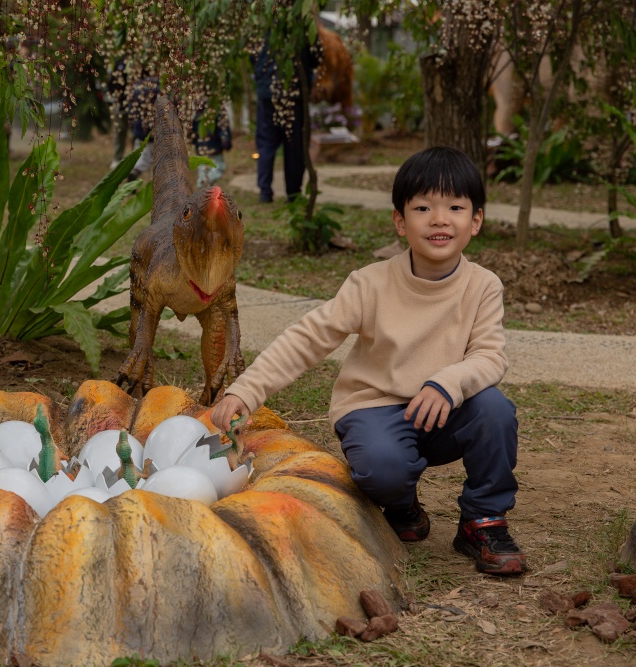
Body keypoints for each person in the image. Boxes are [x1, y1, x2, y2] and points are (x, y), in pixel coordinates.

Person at [211, 146, 526, 576]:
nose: (439, 218)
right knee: (383, 468)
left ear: (476, 221)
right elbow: (307, 338)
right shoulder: (370, 284)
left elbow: (490, 355)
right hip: (375, 407)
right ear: (400, 221)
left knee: (494, 410)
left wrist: (446, 383)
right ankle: (401, 503)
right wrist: (246, 390)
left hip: (443, 408)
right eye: (423, 207)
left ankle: (482, 520)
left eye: (455, 207)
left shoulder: (483, 286)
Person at [252, 39, 317, 203]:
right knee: (294, 146)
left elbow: (253, 57)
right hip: (293, 95)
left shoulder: (261, 28)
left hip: (268, 94)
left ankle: (265, 191)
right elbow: (315, 57)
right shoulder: (299, 27)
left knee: (266, 144)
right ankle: (293, 193)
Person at [190, 100, 233, 189]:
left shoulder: (197, 111)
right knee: (218, 167)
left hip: (206, 147)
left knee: (204, 170)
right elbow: (223, 127)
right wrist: (226, 140)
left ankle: (205, 189)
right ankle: (203, 185)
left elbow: (192, 131)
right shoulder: (216, 109)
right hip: (213, 148)